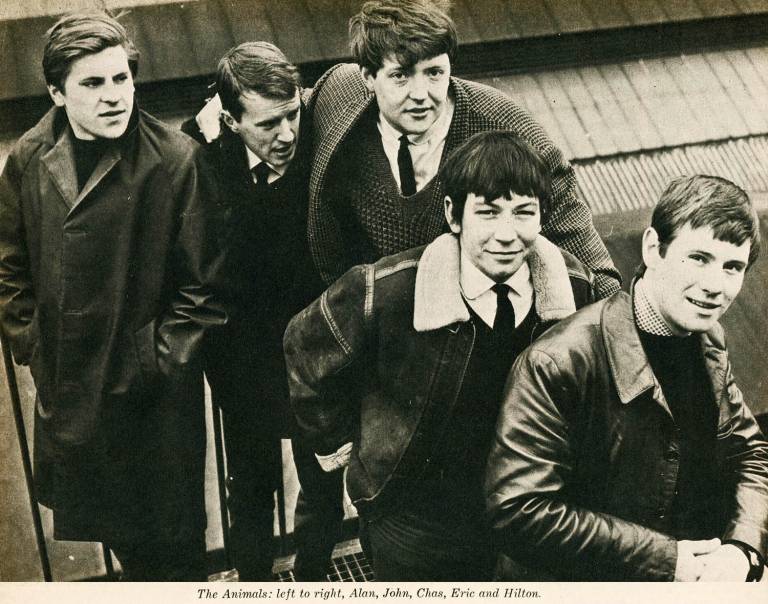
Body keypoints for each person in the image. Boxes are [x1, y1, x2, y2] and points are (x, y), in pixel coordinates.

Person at [284, 131, 599, 581]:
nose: (506, 234)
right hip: (415, 522)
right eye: (487, 212)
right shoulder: (386, 290)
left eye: (524, 212)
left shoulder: (575, 288)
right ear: (453, 214)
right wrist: (350, 449)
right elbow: (304, 347)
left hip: (526, 515)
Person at [0, 12, 226, 580]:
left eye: (121, 78)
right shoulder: (29, 157)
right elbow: (8, 262)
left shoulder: (175, 161)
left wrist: (151, 362)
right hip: (73, 392)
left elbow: (204, 290)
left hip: (150, 407)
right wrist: (35, 344)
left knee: (173, 556)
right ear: (56, 93)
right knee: (120, 542)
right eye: (93, 83)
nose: (113, 96)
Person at [485, 175, 768, 581]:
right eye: (698, 258)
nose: (714, 286)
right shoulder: (558, 360)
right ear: (653, 248)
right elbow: (520, 510)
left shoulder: (707, 338)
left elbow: (750, 453)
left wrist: (742, 549)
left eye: (732, 267)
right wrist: (669, 561)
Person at [305, 0, 621, 299]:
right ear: (368, 77)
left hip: (470, 324)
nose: (420, 94)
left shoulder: (510, 131)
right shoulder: (338, 95)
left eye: (434, 73)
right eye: (400, 76)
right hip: (358, 316)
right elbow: (284, 105)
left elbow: (596, 274)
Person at [185, 42, 343, 581]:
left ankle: (314, 581)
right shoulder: (206, 155)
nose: (287, 134)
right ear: (230, 121)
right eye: (268, 124)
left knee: (322, 486)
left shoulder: (317, 134)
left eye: (292, 114)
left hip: (315, 358)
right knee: (251, 491)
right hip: (244, 363)